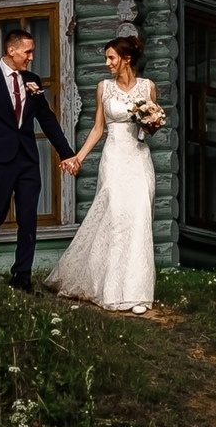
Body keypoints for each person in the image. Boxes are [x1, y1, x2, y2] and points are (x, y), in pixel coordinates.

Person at [49, 34, 157, 312]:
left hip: (138, 158)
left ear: (127, 59)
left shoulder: (148, 87)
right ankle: (111, 289)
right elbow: (98, 128)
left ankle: (136, 293)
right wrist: (77, 158)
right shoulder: (104, 88)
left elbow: (151, 126)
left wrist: (151, 125)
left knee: (139, 216)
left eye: (111, 57)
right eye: (106, 58)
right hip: (114, 158)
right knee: (116, 215)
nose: (107, 63)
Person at [0, 26, 78, 289]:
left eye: (32, 52)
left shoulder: (33, 80)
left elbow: (47, 119)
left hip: (27, 159)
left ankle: (22, 277)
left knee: (28, 217)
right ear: (11, 50)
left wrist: (66, 153)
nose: (30, 56)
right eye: (27, 52)